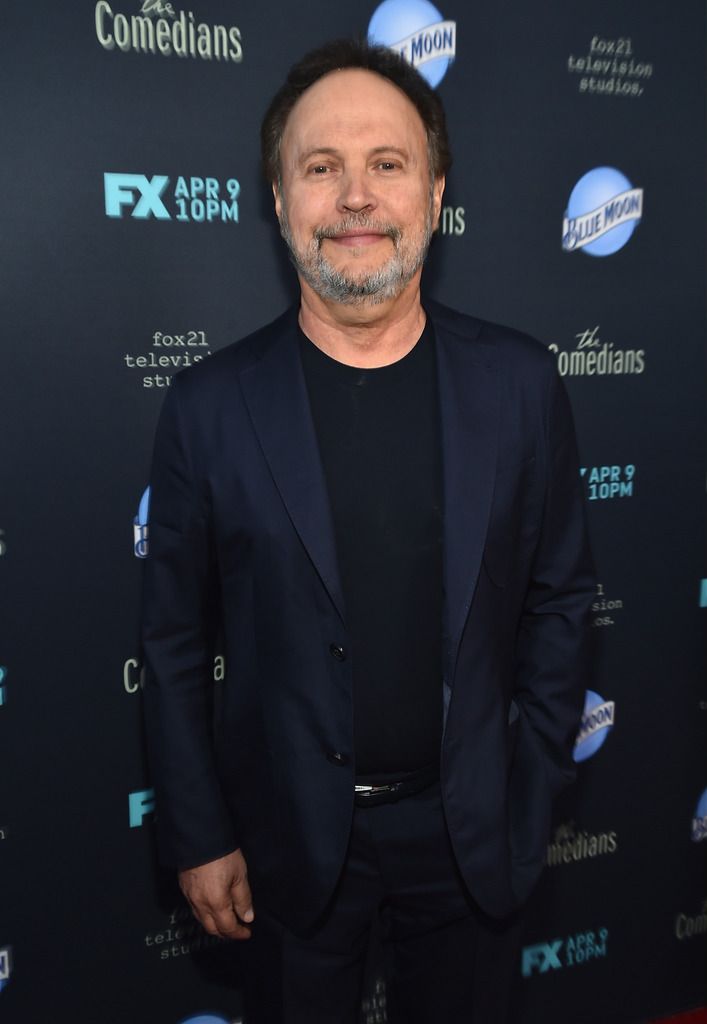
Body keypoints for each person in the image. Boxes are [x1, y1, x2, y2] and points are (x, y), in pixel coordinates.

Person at [141, 38, 595, 1024]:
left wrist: (531, 787)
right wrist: (197, 831)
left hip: (470, 833)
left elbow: (561, 598)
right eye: (320, 168)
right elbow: (174, 645)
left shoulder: (519, 386)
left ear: (432, 196)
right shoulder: (207, 406)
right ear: (277, 201)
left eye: (385, 164)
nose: (354, 196)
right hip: (286, 847)